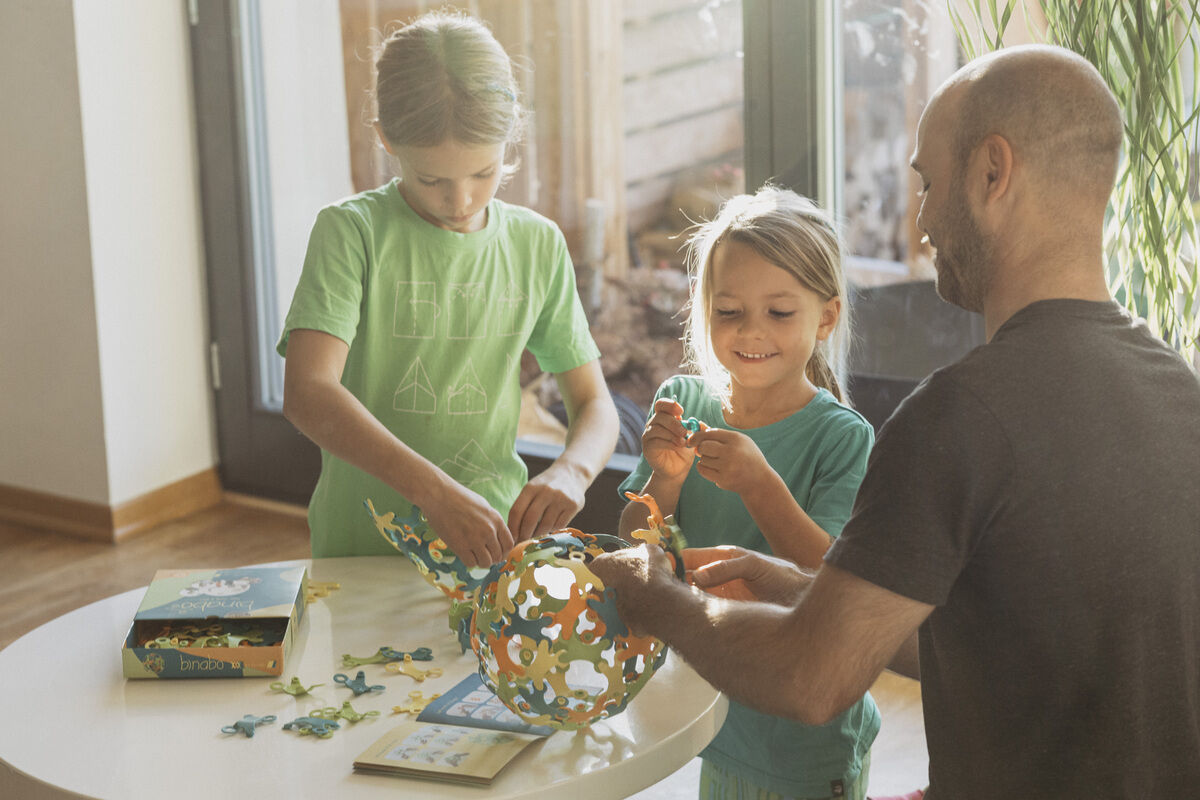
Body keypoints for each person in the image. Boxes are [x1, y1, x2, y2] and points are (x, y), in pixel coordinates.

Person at [592, 44, 1200, 799]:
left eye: (928, 182)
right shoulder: (1178, 390)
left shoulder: (961, 417)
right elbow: (1008, 646)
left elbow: (811, 681)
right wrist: (802, 587)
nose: (922, 219)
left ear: (992, 172)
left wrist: (653, 594)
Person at [278, 11, 618, 564]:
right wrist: (433, 492)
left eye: (483, 173)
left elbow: (594, 403)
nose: (460, 201)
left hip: (493, 552)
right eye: (431, 178)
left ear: (510, 137)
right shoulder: (352, 232)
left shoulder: (537, 243)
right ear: (386, 138)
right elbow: (308, 393)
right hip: (362, 553)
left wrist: (573, 472)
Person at [617, 186, 877, 799]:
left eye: (779, 313)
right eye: (729, 310)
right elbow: (632, 548)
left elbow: (829, 579)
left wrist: (761, 485)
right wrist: (666, 479)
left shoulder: (843, 437)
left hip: (805, 737)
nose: (750, 331)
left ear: (826, 317)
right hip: (712, 710)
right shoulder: (682, 400)